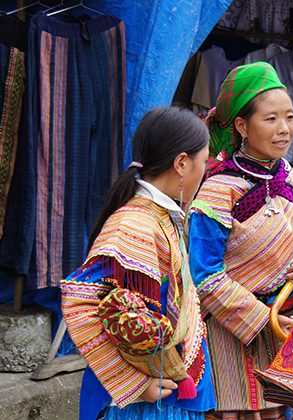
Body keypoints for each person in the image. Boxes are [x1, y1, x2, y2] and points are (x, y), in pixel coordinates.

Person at [188, 62, 293, 419]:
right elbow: (203, 275)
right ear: (241, 126)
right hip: (229, 333)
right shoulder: (219, 191)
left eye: (290, 117)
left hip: (291, 325)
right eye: (271, 119)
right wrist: (265, 318)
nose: (284, 130)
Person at [61, 107, 215, 420]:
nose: (206, 169)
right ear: (182, 164)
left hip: (162, 395)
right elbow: (80, 303)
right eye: (205, 160)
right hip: (141, 405)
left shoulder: (160, 216)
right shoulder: (135, 224)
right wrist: (131, 382)